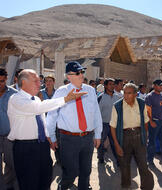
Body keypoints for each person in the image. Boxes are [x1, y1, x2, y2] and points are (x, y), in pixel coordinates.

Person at [7, 69, 85, 190]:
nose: (40, 84)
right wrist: (65, 99)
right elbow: (38, 108)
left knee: (45, 179)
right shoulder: (16, 99)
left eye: (40, 81)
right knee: (29, 183)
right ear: (24, 82)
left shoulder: (36, 99)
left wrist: (49, 137)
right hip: (25, 148)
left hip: (41, 146)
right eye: (36, 81)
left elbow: (42, 122)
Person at [46, 61, 103, 190]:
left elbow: (96, 114)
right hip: (68, 139)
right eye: (77, 73)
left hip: (88, 138)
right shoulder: (61, 92)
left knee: (86, 171)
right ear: (69, 76)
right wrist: (52, 137)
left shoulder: (90, 90)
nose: (81, 75)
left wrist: (98, 134)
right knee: (71, 172)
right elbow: (51, 115)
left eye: (82, 72)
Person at [110, 83, 154, 190]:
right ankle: (126, 186)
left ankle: (147, 187)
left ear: (135, 94)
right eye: (124, 92)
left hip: (139, 136)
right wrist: (116, 144)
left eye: (129, 93)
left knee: (143, 164)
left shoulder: (141, 103)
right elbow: (112, 126)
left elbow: (146, 122)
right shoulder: (117, 106)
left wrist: (145, 136)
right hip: (124, 137)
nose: (126, 95)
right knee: (124, 165)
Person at [145, 79, 162, 168]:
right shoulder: (150, 96)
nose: (161, 87)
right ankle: (149, 161)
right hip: (154, 121)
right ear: (154, 85)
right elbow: (147, 111)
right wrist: (151, 121)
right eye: (160, 85)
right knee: (152, 142)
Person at [0, 68, 18, 190]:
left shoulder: (14, 94)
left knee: (12, 164)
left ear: (6, 79)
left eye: (1, 81)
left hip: (9, 136)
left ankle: (8, 186)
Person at [97, 78, 120, 165]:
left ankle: (118, 160)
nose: (112, 86)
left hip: (113, 125)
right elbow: (97, 112)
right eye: (110, 84)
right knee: (101, 142)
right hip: (103, 124)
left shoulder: (117, 97)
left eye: (113, 84)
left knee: (115, 143)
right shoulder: (100, 97)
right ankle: (101, 157)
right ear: (105, 86)